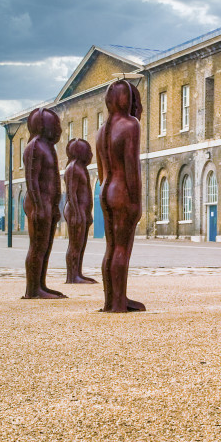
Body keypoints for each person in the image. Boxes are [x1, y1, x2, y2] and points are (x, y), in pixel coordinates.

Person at [96, 79, 145, 313]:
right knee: (122, 248)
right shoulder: (130, 125)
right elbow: (131, 167)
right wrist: (136, 201)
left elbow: (99, 171)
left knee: (111, 246)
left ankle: (111, 300)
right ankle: (118, 302)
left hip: (105, 189)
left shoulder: (101, 130)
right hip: (122, 190)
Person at [23, 108, 67, 299]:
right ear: (42, 125)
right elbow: (31, 179)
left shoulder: (47, 147)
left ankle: (41, 284)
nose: (58, 130)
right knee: (37, 245)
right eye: (54, 125)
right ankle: (32, 289)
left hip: (48, 204)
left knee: (46, 245)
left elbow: (53, 180)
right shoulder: (34, 146)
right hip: (38, 204)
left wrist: (55, 205)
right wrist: (39, 206)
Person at [64, 138, 98, 284]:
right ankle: (72, 275)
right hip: (75, 211)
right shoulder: (72, 168)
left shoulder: (80, 167)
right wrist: (77, 213)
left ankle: (78, 272)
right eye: (88, 152)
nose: (91, 155)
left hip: (82, 211)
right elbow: (71, 193)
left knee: (81, 243)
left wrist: (87, 214)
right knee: (75, 243)